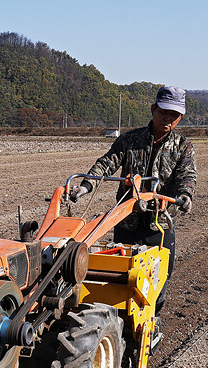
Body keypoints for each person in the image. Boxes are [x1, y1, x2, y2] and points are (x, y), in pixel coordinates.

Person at [68, 85, 196, 290]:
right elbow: (106, 164)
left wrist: (185, 195)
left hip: (159, 226)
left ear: (180, 117)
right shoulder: (130, 140)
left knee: (156, 286)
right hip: (127, 223)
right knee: (120, 280)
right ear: (154, 109)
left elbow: (187, 176)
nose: (168, 119)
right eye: (164, 112)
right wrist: (84, 187)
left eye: (174, 115)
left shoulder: (183, 146)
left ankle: (152, 320)